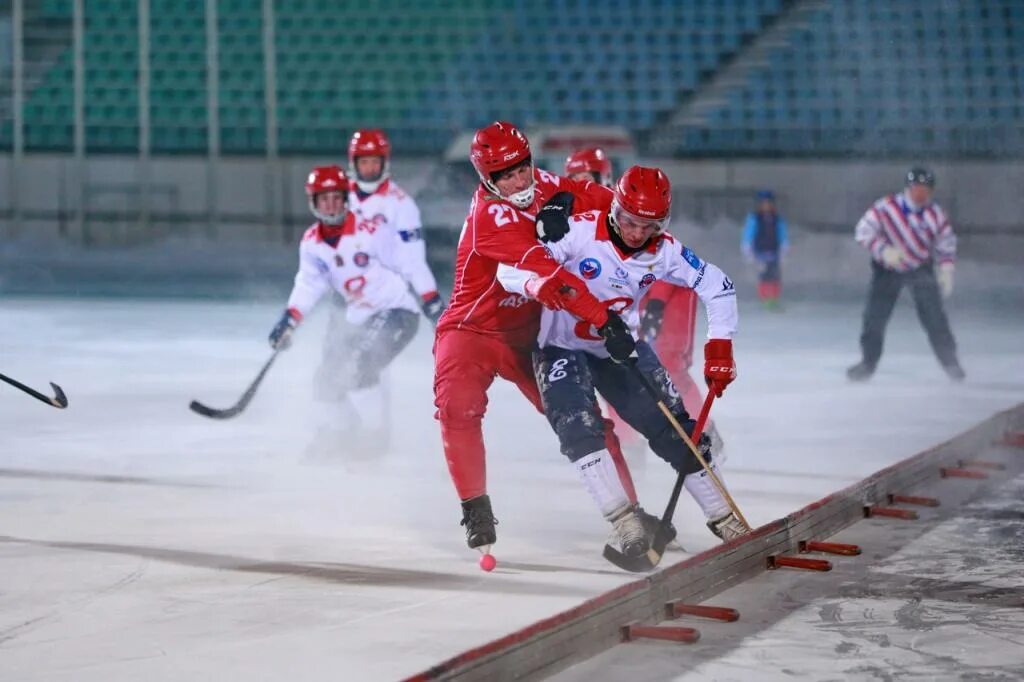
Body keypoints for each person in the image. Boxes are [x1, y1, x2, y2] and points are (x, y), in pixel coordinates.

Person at [497, 166, 749, 557]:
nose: (635, 233)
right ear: (614, 209)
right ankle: (624, 523)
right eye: (629, 221)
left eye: (647, 226)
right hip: (560, 345)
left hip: (618, 346)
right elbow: (509, 268)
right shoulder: (579, 231)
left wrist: (720, 349)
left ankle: (725, 518)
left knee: (675, 428)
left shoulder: (665, 251)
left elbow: (719, 287)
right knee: (578, 427)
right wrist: (540, 284)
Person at [434, 122, 649, 557]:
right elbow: (550, 275)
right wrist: (603, 319)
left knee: (585, 421)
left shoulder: (544, 185)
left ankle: (633, 514)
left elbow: (609, 203)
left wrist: (635, 216)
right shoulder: (488, 218)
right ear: (486, 180)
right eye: (505, 176)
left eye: (522, 169)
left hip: (531, 336)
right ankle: (475, 505)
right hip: (472, 330)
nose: (519, 181)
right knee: (457, 406)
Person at [267, 165, 439, 453]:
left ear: (346, 199)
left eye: (336, 198)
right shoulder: (311, 243)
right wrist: (289, 321)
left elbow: (409, 264)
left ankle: (372, 439)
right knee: (325, 380)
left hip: (397, 312)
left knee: (358, 367)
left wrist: (432, 302)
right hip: (360, 317)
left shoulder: (371, 232)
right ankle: (344, 435)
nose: (331, 206)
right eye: (324, 199)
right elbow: (308, 285)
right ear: (313, 202)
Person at [566, 149, 721, 462]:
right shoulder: (575, 213)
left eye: (586, 179)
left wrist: (657, 305)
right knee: (611, 362)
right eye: (573, 180)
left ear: (604, 177)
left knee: (669, 364)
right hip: (627, 300)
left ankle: (701, 433)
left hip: (669, 291)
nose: (579, 185)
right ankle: (629, 441)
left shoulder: (626, 205)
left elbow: (662, 256)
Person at [847, 166, 964, 382]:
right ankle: (868, 363)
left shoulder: (936, 215)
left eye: (925, 190)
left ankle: (951, 363)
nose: (920, 194)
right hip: (888, 269)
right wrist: (883, 250)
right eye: (916, 189)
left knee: (935, 319)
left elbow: (946, 243)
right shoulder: (886, 208)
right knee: (875, 318)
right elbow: (863, 231)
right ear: (908, 188)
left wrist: (946, 268)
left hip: (921, 269)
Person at [741, 190, 789, 309]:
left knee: (775, 275)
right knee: (764, 275)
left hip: (774, 252)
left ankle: (773, 298)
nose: (766, 206)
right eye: (764, 203)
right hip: (760, 252)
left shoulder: (777, 219)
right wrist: (747, 250)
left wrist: (784, 249)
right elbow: (748, 234)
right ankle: (764, 298)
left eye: (769, 203)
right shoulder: (755, 218)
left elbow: (782, 235)